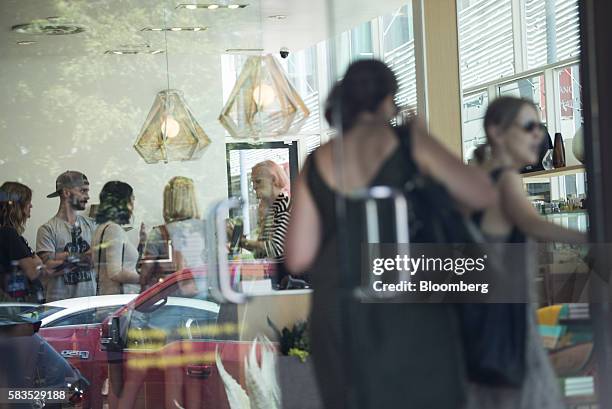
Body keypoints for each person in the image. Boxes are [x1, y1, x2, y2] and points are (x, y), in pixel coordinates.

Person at [285, 60, 496, 408]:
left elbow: (298, 256)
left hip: (339, 311)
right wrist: (423, 136)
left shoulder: (317, 159)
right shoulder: (409, 142)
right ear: (388, 100)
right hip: (409, 309)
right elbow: (480, 194)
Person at [463, 96, 586, 409]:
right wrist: (593, 236)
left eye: (540, 127)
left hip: (483, 321)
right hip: (510, 323)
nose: (538, 135)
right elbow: (532, 224)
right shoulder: (505, 179)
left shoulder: (477, 177)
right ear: (498, 133)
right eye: (529, 126)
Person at [36, 171, 96, 302]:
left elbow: (96, 258)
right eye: (83, 191)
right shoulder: (47, 229)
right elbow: (48, 267)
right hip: (60, 310)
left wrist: (62, 256)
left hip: (89, 305)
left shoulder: (91, 225)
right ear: (66, 193)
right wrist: (83, 256)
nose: (87, 196)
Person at [140, 176, 206, 290]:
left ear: (168, 202)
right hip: (204, 296)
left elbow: (144, 275)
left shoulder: (158, 233)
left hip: (171, 299)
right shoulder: (207, 229)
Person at [92, 181, 142, 295]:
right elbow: (115, 273)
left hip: (109, 297)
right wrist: (144, 278)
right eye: (132, 198)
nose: (133, 204)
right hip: (118, 300)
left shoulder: (102, 228)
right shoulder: (113, 229)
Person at [0, 182, 47, 304]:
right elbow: (33, 271)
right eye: (28, 201)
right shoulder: (8, 234)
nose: (31, 205)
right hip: (19, 309)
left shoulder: (10, 234)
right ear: (18, 206)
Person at [235, 160, 291, 263]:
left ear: (274, 179)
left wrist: (240, 241)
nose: (254, 186)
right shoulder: (272, 210)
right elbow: (260, 254)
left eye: (258, 181)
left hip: (288, 276)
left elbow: (275, 248)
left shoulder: (286, 205)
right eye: (253, 182)